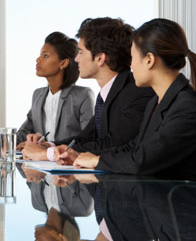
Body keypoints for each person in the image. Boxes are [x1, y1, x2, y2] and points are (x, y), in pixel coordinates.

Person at [69, 18, 196, 177]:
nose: (131, 66)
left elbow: (142, 160)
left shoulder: (187, 106)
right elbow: (133, 147)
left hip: (177, 199)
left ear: (149, 60)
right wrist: (86, 156)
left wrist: (96, 161)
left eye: (133, 57)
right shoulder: (155, 102)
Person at [23, 17, 154, 161]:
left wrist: (49, 154)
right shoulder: (106, 94)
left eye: (80, 52)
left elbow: (114, 143)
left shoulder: (137, 91)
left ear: (100, 58)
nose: (76, 59)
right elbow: (84, 138)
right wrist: (48, 145)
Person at [15, 32, 95, 155]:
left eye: (45, 56)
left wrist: (48, 147)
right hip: (41, 166)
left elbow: (89, 139)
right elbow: (23, 132)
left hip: (68, 165)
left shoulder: (83, 95)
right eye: (40, 55)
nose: (38, 60)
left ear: (63, 63)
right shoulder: (38, 95)